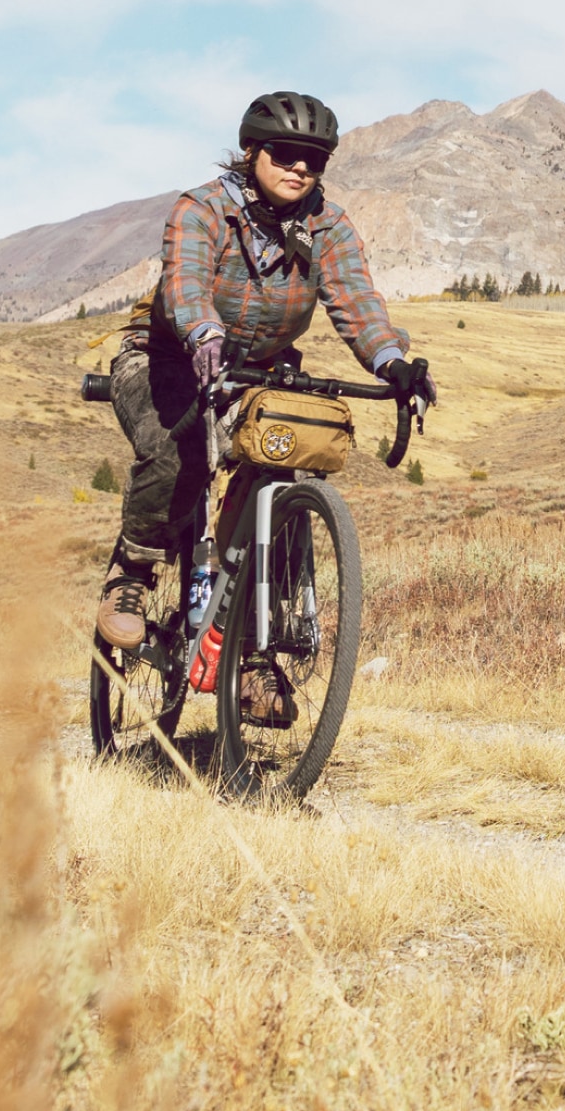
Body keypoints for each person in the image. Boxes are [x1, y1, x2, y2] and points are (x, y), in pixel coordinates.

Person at [95, 92, 436, 724]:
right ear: (252, 151)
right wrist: (203, 332)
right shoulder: (203, 209)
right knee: (175, 452)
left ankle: (247, 652)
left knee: (282, 471)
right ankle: (132, 575)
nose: (300, 167)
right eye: (284, 153)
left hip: (260, 370)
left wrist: (392, 362)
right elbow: (185, 282)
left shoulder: (328, 227)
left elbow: (356, 301)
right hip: (166, 354)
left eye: (315, 159)